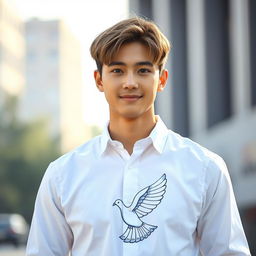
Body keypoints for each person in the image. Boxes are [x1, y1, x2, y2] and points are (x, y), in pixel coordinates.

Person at [26, 17, 251, 256]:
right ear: (99, 80)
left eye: (143, 70)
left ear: (161, 80)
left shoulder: (206, 169)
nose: (130, 83)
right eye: (117, 70)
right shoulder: (62, 175)